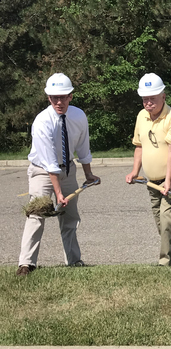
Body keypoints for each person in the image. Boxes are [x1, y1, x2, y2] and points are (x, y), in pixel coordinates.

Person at [17, 73, 101, 275]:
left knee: (70, 216)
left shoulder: (79, 116)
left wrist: (88, 174)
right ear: (48, 98)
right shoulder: (42, 122)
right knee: (37, 214)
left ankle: (73, 261)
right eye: (54, 97)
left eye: (63, 96)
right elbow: (49, 163)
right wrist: (58, 193)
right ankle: (26, 264)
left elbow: (83, 148)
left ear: (71, 96)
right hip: (42, 171)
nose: (59, 101)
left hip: (68, 169)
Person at [125, 73, 171, 266]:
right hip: (152, 180)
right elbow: (139, 146)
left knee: (167, 217)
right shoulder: (141, 116)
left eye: (152, 98)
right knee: (163, 221)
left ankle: (166, 262)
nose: (148, 103)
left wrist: (168, 181)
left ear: (163, 95)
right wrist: (134, 171)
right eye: (145, 99)